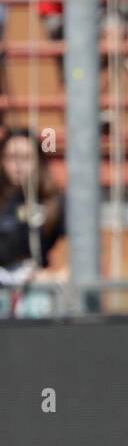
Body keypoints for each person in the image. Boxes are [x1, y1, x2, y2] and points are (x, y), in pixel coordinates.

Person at [0, 129, 67, 315]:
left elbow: (84, 250)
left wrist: (57, 275)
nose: (18, 166)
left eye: (26, 158)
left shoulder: (52, 201)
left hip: (35, 289)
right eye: (12, 157)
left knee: (40, 304)